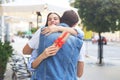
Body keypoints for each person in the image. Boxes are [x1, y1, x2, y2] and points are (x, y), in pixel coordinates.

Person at [29, 10, 83, 80]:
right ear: (75, 24)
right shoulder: (78, 39)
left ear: (61, 20)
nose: (52, 21)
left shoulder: (43, 32)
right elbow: (79, 73)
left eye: (55, 18)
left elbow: (27, 54)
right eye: (49, 19)